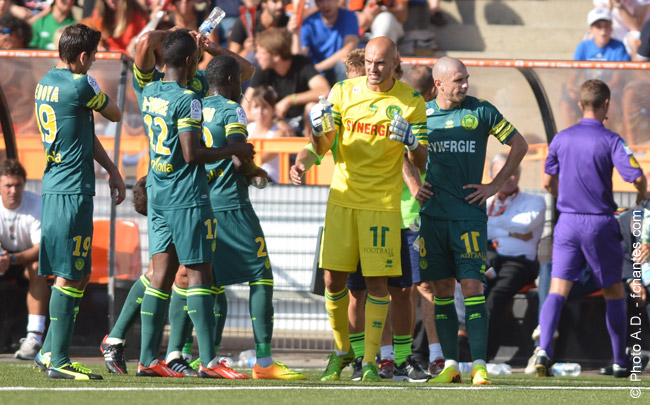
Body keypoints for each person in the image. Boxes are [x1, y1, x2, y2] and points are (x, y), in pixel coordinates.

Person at [134, 28, 254, 378]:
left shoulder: (149, 90)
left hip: (158, 194)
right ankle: (209, 362)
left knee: (160, 277)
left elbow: (146, 43)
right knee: (201, 275)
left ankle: (147, 359)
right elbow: (192, 154)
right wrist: (233, 149)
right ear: (189, 61)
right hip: (186, 195)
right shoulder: (189, 99)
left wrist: (174, 36)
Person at [309, 36, 427, 382]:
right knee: (334, 282)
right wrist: (315, 131)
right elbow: (323, 145)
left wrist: (412, 141)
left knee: (384, 286)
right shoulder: (342, 91)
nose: (373, 69)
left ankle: (377, 361)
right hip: (342, 201)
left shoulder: (411, 101)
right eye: (370, 62)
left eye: (380, 63)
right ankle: (343, 352)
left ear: (395, 63)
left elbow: (421, 160)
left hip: (382, 206)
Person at [415, 56, 528, 386]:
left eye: (466, 78)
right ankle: (451, 365)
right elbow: (405, 155)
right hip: (433, 217)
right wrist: (413, 184)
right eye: (458, 80)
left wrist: (494, 185)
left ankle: (479, 367)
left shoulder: (482, 111)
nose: (465, 84)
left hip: (468, 217)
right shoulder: (422, 115)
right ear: (438, 84)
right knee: (441, 290)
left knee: (472, 287)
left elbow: (519, 144)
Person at [201, 55, 306, 380]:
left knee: (209, 283)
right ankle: (264, 360)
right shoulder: (232, 109)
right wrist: (253, 169)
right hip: (232, 205)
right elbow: (237, 152)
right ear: (231, 81)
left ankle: (199, 356)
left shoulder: (196, 106)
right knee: (261, 275)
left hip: (201, 203)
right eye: (240, 81)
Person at [535, 79, 647, 378]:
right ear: (606, 104)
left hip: (567, 222)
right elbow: (637, 177)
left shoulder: (561, 138)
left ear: (580, 104)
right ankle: (620, 361)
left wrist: (566, 197)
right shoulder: (611, 140)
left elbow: (546, 182)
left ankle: (543, 350)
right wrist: (641, 196)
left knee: (557, 289)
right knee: (614, 291)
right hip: (599, 223)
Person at [33, 23, 126, 380]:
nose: (96, 60)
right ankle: (59, 359)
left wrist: (112, 169)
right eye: (95, 55)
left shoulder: (46, 81)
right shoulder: (81, 84)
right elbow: (115, 113)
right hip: (72, 190)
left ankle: (47, 351)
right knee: (70, 275)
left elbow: (81, 131)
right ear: (84, 56)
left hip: (56, 186)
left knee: (79, 273)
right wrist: (95, 86)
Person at [484, 153, 546, 361]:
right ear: (492, 176)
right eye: (503, 173)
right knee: (469, 289)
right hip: (488, 259)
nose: (509, 177)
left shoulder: (534, 201)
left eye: (513, 172)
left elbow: (525, 226)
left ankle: (481, 355)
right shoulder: (485, 202)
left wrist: (490, 224)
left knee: (496, 296)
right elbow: (474, 228)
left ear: (519, 175)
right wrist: (510, 231)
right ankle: (459, 342)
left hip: (519, 262)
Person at [243, 27, 330, 137]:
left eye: (261, 53)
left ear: (276, 56)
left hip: (303, 122)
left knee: (314, 108)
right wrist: (275, 120)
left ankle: (311, 146)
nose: (256, 56)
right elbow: (245, 109)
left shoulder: (302, 64)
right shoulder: (262, 70)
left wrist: (289, 100)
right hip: (274, 125)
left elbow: (324, 91)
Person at [0, 160, 46, 361]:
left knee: (38, 267)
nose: (13, 191)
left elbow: (40, 248)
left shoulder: (36, 204)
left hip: (26, 260)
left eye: (18, 185)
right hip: (4, 258)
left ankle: (34, 337)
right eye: (8, 185)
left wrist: (11, 259)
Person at [295, 0, 359, 85]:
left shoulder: (349, 17)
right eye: (321, 1)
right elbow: (300, 57)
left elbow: (348, 49)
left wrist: (316, 68)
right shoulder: (309, 23)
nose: (325, 5)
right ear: (316, 3)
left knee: (345, 65)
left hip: (334, 70)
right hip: (318, 75)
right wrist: (295, 34)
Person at [246, 85, 293, 183]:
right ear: (250, 109)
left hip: (272, 182)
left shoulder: (279, 133)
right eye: (256, 106)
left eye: (265, 107)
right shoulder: (247, 129)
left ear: (273, 109)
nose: (260, 112)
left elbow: (260, 159)